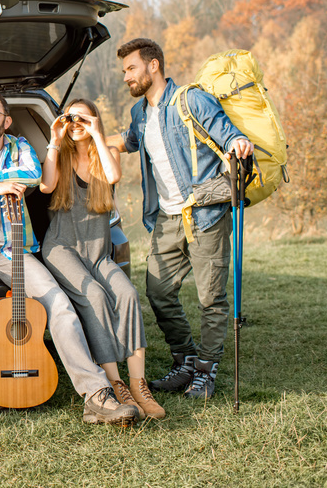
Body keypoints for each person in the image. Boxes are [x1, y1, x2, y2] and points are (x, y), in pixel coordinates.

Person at [0, 89, 140, 425]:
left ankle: (95, 393)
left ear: (6, 119)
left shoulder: (19, 148)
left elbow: (35, 176)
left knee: (59, 305)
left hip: (13, 249)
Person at [110, 38, 253, 399]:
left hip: (205, 214)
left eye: (131, 69)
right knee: (158, 293)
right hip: (167, 218)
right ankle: (185, 360)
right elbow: (128, 141)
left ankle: (206, 371)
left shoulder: (191, 100)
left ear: (153, 65)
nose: (126, 77)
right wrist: (82, 133)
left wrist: (238, 143)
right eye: (124, 70)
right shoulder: (140, 113)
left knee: (211, 299)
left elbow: (227, 132)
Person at [39, 99, 164, 420]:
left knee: (127, 294)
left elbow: (112, 175)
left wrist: (96, 134)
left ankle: (139, 385)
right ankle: (115, 381)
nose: (76, 123)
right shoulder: (60, 156)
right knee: (93, 296)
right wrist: (55, 138)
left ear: (95, 120)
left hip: (97, 250)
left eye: (84, 117)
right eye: (71, 118)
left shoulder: (102, 154)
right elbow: (46, 185)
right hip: (61, 247)